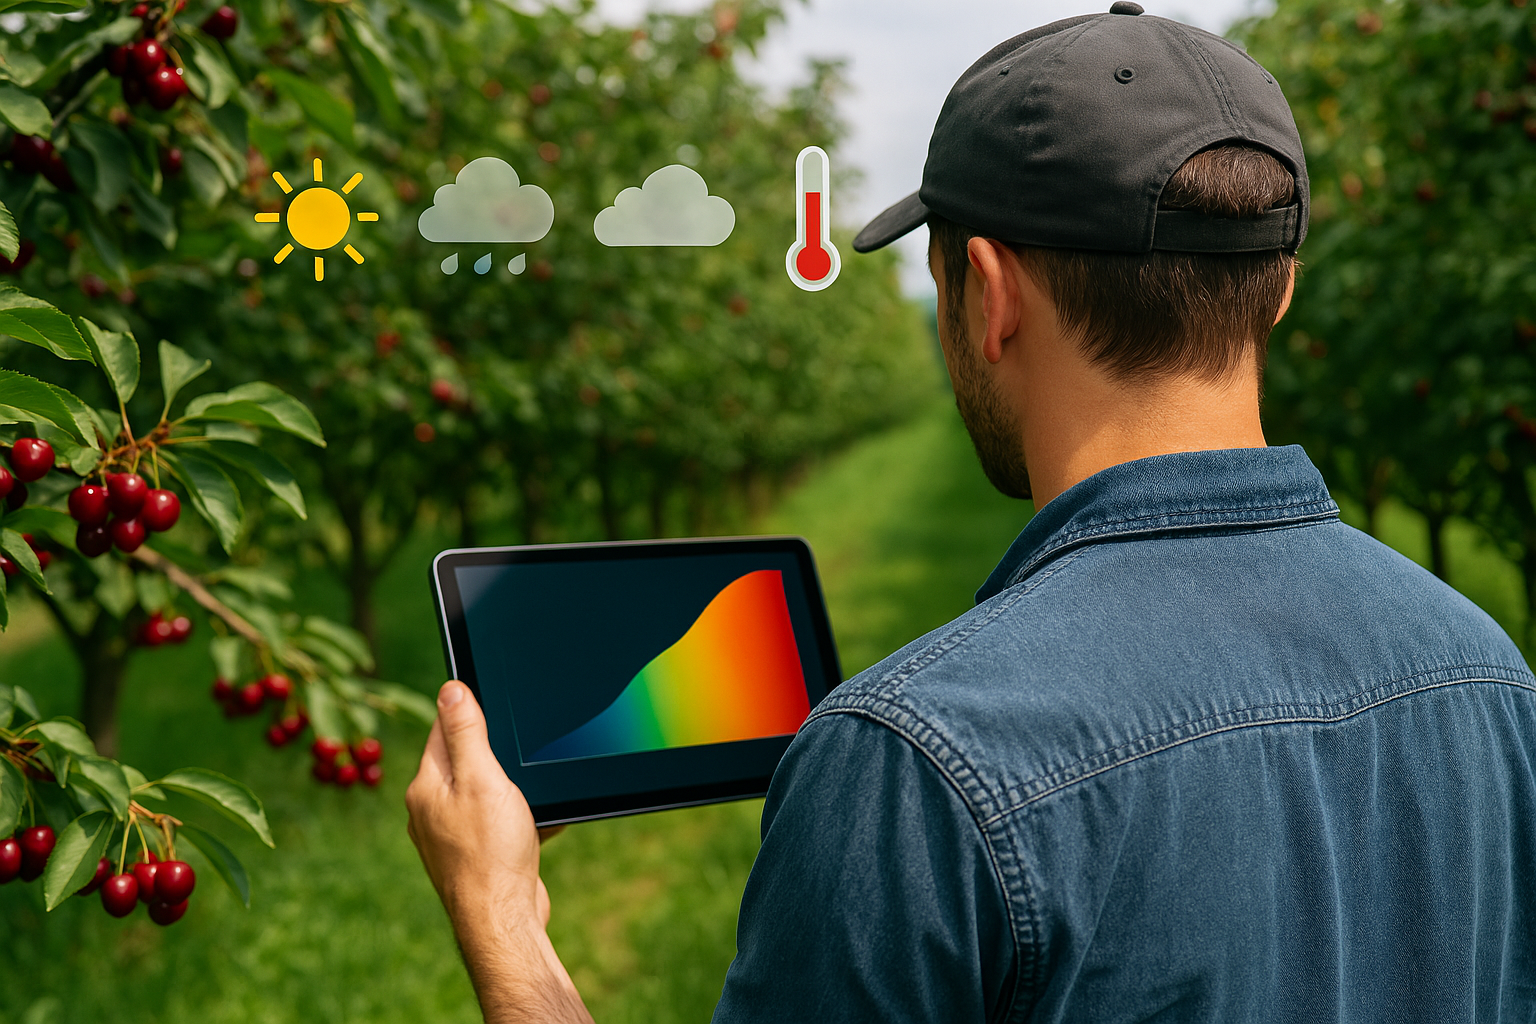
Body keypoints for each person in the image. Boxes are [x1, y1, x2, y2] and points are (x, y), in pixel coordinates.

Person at [406, 6, 1536, 1022]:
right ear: (1279, 287)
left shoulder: (918, 769)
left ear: (988, 294)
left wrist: (504, 926)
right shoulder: (1490, 677)